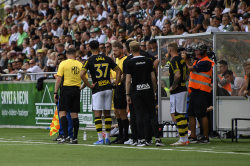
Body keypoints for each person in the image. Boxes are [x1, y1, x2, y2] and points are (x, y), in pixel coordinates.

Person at [81, 40, 121, 145]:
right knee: (107, 114)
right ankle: (107, 139)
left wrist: (89, 85)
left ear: (89, 48)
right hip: (108, 88)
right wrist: (116, 83)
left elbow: (82, 74)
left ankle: (100, 139)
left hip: (97, 89)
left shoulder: (89, 60)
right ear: (99, 48)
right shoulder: (108, 58)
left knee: (98, 115)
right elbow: (118, 70)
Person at [126, 41, 164, 147]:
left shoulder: (129, 62)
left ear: (131, 50)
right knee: (152, 114)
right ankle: (157, 139)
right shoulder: (148, 60)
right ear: (140, 49)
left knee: (139, 115)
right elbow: (153, 77)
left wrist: (127, 94)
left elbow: (128, 80)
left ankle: (142, 140)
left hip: (136, 91)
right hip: (148, 90)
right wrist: (154, 90)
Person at [183, 44, 214, 144]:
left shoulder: (206, 62)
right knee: (191, 114)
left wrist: (184, 61)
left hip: (202, 91)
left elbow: (190, 69)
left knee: (202, 114)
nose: (195, 52)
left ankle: (205, 137)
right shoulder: (198, 61)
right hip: (195, 91)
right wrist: (187, 60)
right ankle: (193, 135)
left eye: (197, 51)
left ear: (203, 51)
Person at [54, 48, 84, 144]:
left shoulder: (63, 63)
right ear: (75, 54)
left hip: (66, 89)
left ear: (66, 55)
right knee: (74, 114)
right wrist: (80, 88)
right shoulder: (80, 64)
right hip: (76, 90)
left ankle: (66, 136)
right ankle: (74, 138)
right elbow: (85, 79)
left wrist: (55, 92)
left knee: (62, 113)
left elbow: (58, 79)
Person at [167, 42, 189, 146]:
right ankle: (185, 139)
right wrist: (183, 82)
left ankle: (181, 139)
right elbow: (187, 73)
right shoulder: (182, 60)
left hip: (177, 91)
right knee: (181, 114)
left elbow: (177, 74)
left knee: (178, 114)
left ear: (169, 50)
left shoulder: (174, 60)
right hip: (183, 88)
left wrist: (174, 86)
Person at [110, 41, 129, 144]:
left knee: (122, 113)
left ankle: (125, 136)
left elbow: (124, 75)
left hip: (122, 88)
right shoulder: (116, 60)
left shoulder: (125, 60)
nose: (114, 52)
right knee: (116, 112)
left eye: (116, 50)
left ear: (121, 50)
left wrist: (114, 81)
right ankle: (120, 135)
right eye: (113, 50)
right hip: (116, 88)